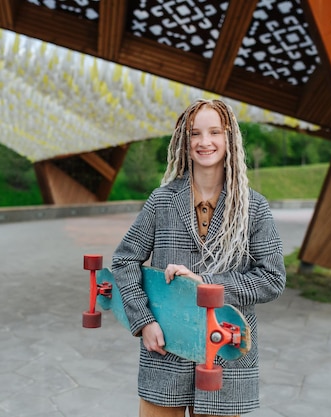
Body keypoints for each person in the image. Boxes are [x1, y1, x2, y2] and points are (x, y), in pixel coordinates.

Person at [112, 99, 286, 416]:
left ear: (229, 138)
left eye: (214, 132)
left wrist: (206, 285)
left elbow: (272, 279)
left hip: (226, 355)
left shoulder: (254, 208)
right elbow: (124, 261)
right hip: (165, 351)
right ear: (184, 141)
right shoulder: (161, 200)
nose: (205, 142)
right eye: (195, 134)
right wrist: (143, 321)